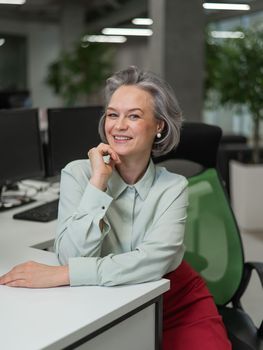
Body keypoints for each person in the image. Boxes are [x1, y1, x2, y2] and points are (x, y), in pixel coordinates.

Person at [0, 66, 231, 349]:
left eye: (133, 116)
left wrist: (67, 275)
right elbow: (70, 256)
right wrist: (98, 182)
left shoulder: (173, 186)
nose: (118, 126)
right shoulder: (78, 174)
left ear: (159, 125)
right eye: (112, 114)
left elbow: (153, 262)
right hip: (109, 300)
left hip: (173, 295)